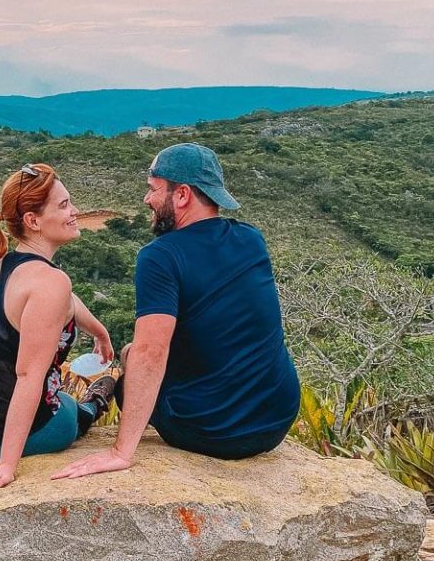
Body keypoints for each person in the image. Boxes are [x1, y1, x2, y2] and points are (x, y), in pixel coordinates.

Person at [53, 143, 300, 480]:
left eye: (153, 189)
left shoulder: (160, 256)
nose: (147, 200)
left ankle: (100, 400)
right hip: (276, 418)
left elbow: (152, 352)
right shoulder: (250, 239)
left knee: (130, 369)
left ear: (182, 194)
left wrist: (120, 452)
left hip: (215, 432)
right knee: (130, 352)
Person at [0, 163, 116, 500]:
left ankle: (82, 402)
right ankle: (94, 404)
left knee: (58, 397)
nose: (75, 211)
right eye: (64, 205)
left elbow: (66, 300)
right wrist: (7, 466)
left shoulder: (4, 265)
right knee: (66, 412)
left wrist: (99, 331)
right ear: (33, 221)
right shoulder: (51, 283)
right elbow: (27, 377)